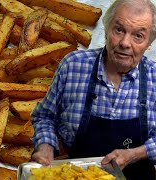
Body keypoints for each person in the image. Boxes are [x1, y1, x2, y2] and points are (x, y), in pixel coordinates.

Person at [31, 0, 156, 179]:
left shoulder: (154, 78)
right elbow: (45, 116)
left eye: (138, 36)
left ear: (148, 43)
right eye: (119, 30)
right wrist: (45, 145)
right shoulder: (73, 65)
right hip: (76, 175)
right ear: (106, 29)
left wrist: (134, 154)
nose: (125, 43)